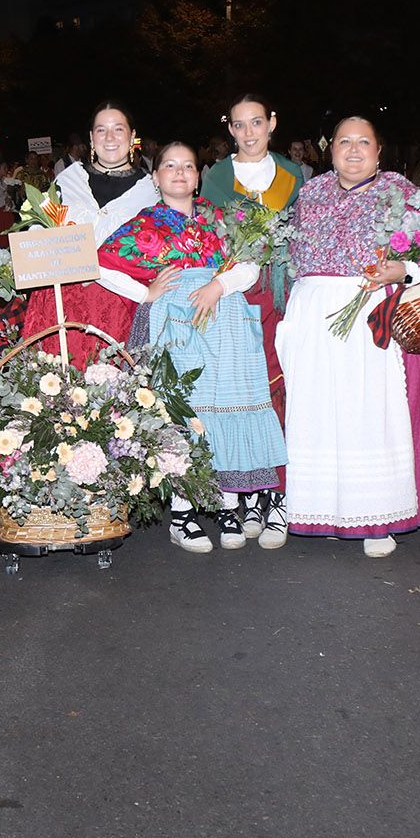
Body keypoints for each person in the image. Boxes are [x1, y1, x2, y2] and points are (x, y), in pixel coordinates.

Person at [276, 114, 420, 557]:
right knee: (317, 413)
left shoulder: (401, 192)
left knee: (369, 413)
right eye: (345, 142)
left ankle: (376, 516)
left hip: (368, 315)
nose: (354, 150)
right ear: (331, 150)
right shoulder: (310, 193)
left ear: (379, 151)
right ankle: (313, 506)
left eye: (364, 142)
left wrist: (403, 268)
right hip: (314, 318)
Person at [101, 142, 283, 553]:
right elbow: (100, 265)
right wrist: (143, 292)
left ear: (199, 176)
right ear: (156, 177)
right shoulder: (143, 224)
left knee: (226, 403)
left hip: (225, 320)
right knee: (187, 409)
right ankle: (183, 514)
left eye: (188, 166)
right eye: (170, 166)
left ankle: (225, 502)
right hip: (174, 325)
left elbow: (251, 263)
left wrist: (219, 285)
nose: (180, 173)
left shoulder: (220, 221)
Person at [199, 92, 306, 536]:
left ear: (272, 123)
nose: (248, 133)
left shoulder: (294, 174)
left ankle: (274, 493)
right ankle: (239, 491)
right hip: (233, 297)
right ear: (229, 129)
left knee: (278, 386)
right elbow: (208, 240)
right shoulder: (217, 177)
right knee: (237, 390)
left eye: (256, 123)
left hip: (281, 296)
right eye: (239, 125)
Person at [20, 102, 158, 367]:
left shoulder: (150, 189)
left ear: (131, 136)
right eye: (101, 130)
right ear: (92, 138)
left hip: (121, 304)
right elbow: (38, 231)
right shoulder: (68, 180)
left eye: (118, 129)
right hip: (62, 304)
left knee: (112, 395)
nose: (109, 137)